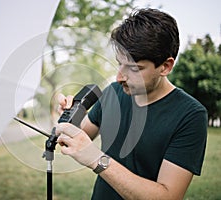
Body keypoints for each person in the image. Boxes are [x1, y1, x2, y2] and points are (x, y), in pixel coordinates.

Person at [55, 8, 207, 200]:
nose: (119, 77)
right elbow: (79, 137)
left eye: (134, 68)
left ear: (166, 66)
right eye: (120, 63)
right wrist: (68, 119)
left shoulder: (190, 115)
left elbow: (168, 196)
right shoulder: (112, 92)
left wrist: (97, 159)